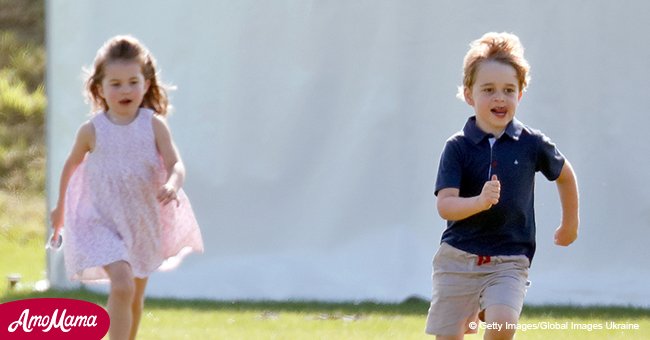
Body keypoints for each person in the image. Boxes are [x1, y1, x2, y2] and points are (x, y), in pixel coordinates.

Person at [425, 32, 579, 339]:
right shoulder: (457, 147)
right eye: (489, 90)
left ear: (520, 94)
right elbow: (445, 205)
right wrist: (479, 202)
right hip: (459, 257)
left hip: (510, 259)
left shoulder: (531, 144)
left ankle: (492, 305)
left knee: (502, 325)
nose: (499, 98)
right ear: (469, 95)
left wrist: (570, 224)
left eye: (509, 90)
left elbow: (565, 175)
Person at [50, 35, 204, 340]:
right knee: (122, 284)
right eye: (116, 83)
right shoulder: (92, 131)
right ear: (100, 89)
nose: (125, 90)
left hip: (142, 221)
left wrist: (173, 184)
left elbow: (176, 164)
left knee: (133, 295)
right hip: (101, 221)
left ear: (146, 85)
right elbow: (71, 165)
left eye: (133, 82)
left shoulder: (153, 124)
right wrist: (60, 209)